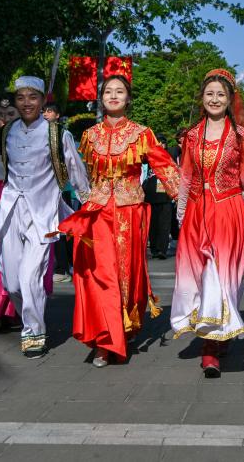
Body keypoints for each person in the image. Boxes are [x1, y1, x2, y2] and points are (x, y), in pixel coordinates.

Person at [59, 75, 180, 367]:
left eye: (120, 91)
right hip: (97, 213)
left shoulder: (141, 134)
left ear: (128, 98)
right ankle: (105, 341)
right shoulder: (89, 135)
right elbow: (79, 175)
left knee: (127, 276)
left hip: (129, 212)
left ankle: (122, 330)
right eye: (108, 91)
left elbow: (167, 169)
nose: (114, 95)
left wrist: (188, 204)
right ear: (101, 98)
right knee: (100, 275)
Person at [0, 76, 88, 358]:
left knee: (31, 277)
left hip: (46, 216)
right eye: (21, 98)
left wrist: (88, 208)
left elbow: (76, 173)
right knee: (11, 282)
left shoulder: (58, 134)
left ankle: (33, 333)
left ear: (42, 101)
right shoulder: (1, 137)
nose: (26, 103)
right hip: (11, 213)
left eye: (33, 97)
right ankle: (30, 314)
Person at [171, 69, 244, 377]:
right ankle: (212, 342)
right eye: (209, 93)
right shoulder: (192, 135)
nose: (214, 99)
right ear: (202, 97)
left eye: (221, 94)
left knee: (225, 278)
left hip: (229, 210)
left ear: (230, 99)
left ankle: (213, 344)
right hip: (198, 211)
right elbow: (186, 175)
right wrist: (182, 209)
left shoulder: (241, 135)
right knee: (201, 276)